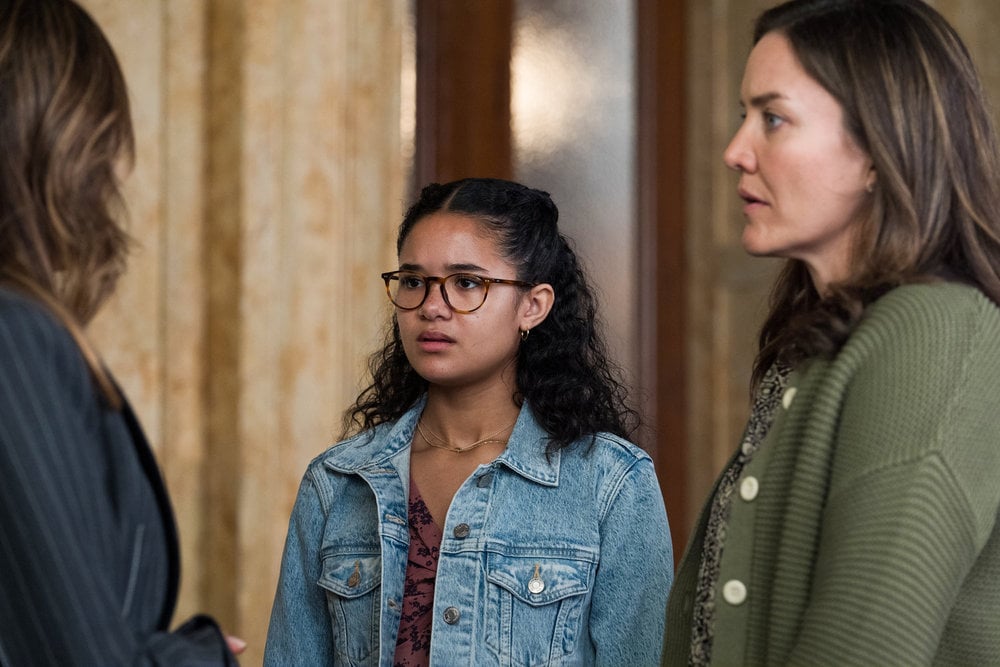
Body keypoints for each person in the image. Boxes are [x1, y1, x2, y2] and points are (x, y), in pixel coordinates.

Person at [663, 0, 1000, 665]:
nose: (735, 152)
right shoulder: (832, 340)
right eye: (743, 117)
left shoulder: (934, 331)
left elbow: (865, 645)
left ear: (878, 150)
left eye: (774, 119)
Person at [265, 177, 673, 665]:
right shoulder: (337, 482)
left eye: (466, 283)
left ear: (532, 305)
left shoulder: (609, 483)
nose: (432, 308)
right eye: (414, 281)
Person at [0, 1, 241, 664]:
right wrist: (204, 652)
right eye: (105, 137)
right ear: (61, 142)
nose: (117, 171)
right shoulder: (16, 336)